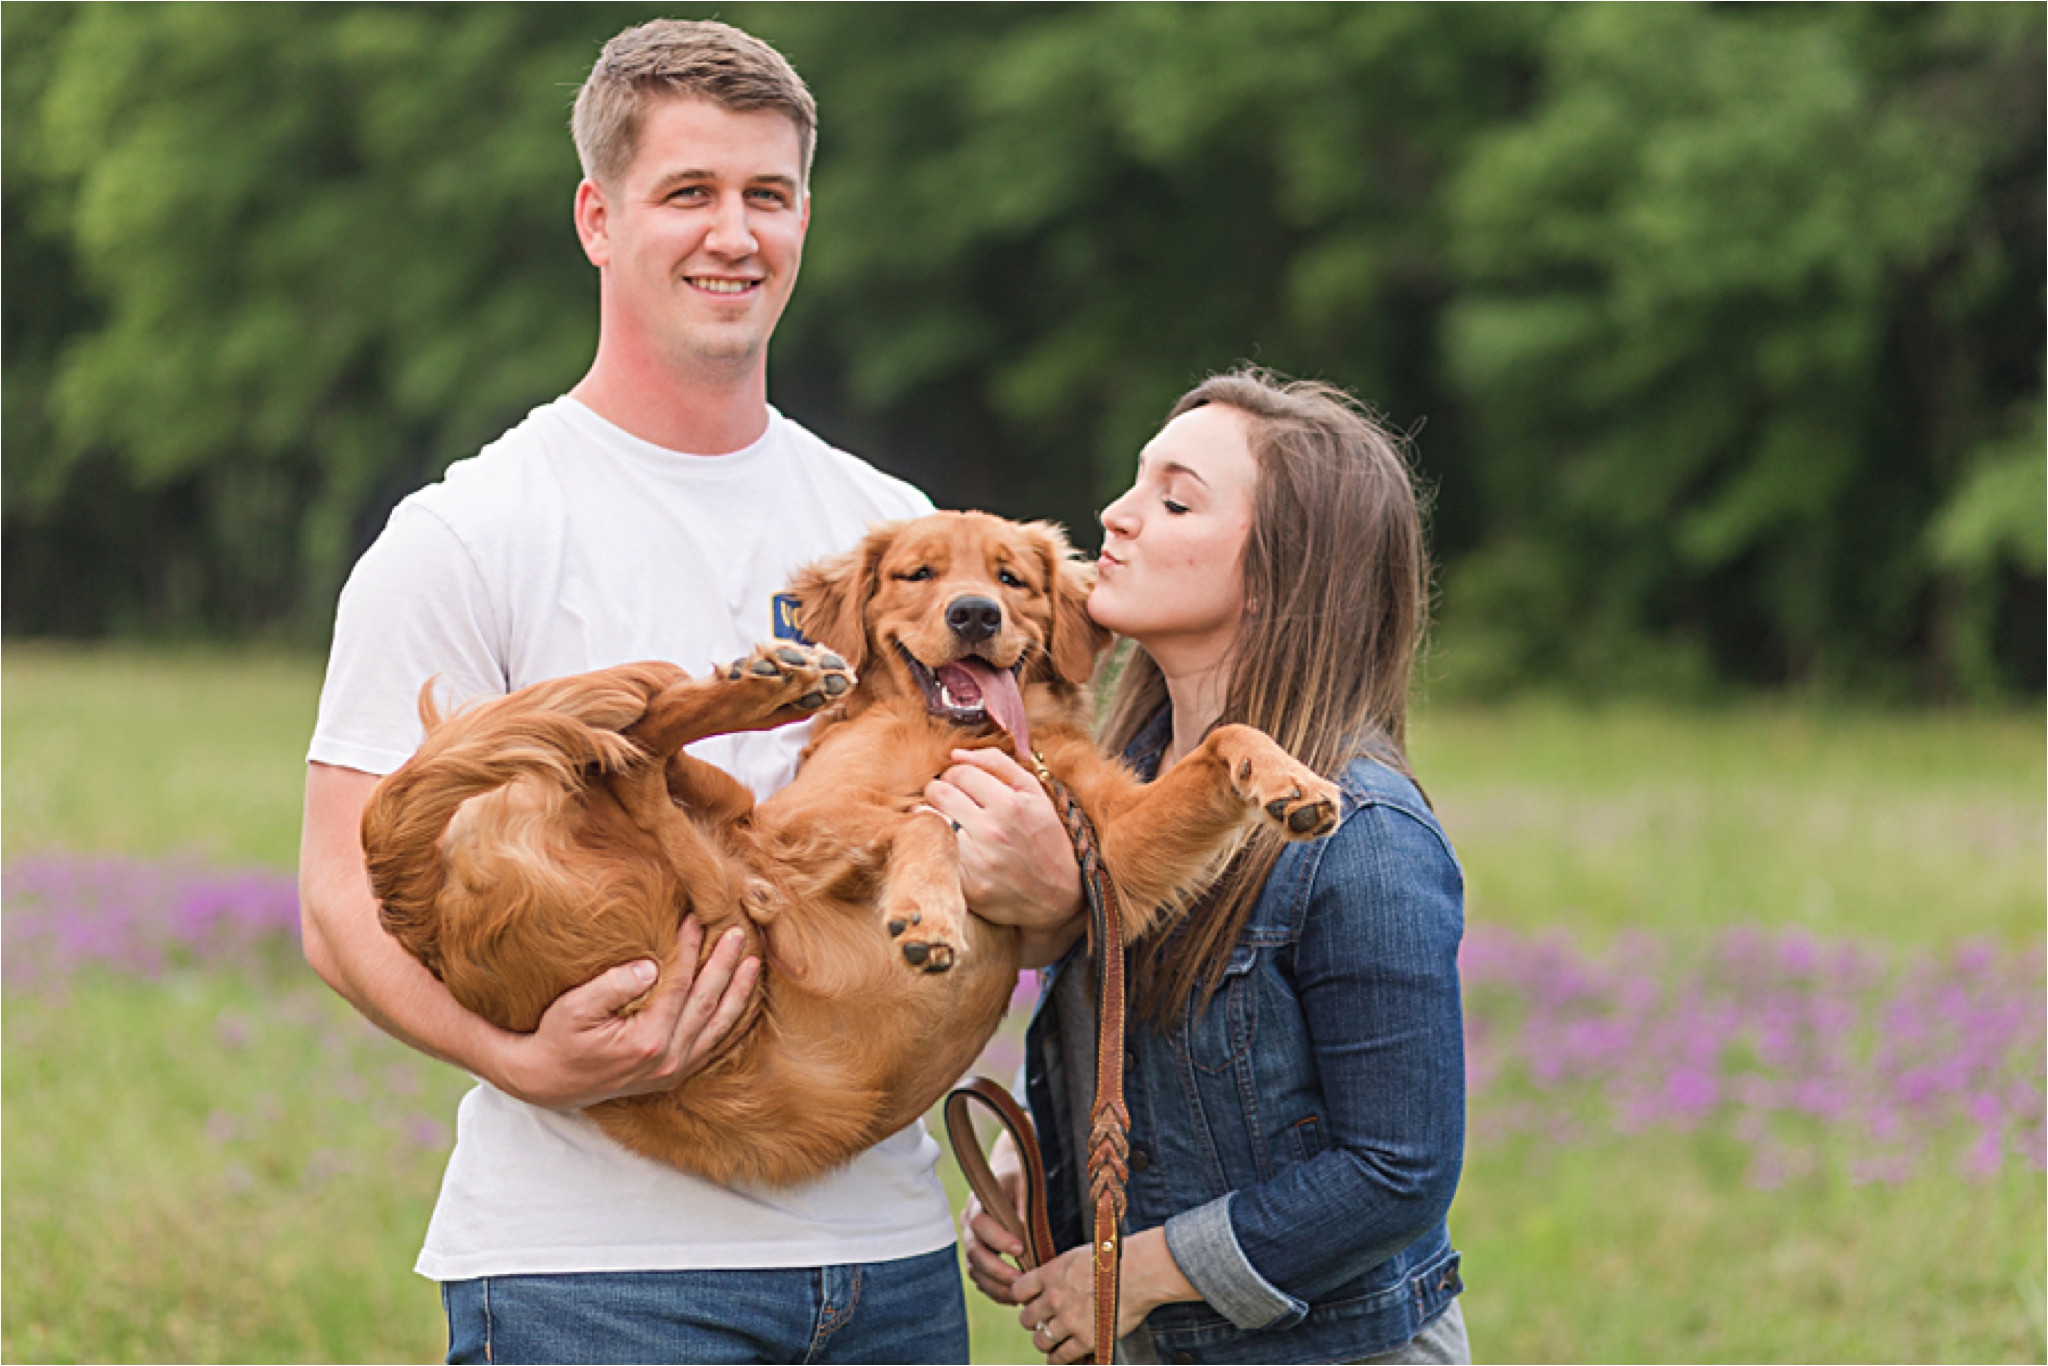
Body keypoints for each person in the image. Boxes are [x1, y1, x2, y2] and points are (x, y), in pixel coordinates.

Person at [297, 19, 1075, 1364]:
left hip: (883, 1262)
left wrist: (1055, 890)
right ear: (599, 217)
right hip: (592, 1274)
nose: (735, 233)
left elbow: (1014, 849)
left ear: (806, 218)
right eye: (690, 193)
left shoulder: (898, 528)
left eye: (767, 195)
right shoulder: (469, 530)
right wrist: (526, 1062)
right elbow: (336, 900)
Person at [944, 369, 1470, 1364]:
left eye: (1173, 499)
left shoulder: (1362, 835)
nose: (1115, 515)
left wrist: (1132, 1275)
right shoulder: (1127, 787)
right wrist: (1039, 1170)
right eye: (1135, 482)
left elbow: (1397, 1169)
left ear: (1277, 576)